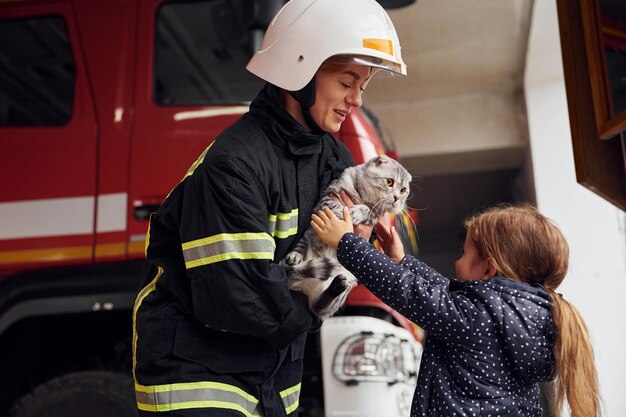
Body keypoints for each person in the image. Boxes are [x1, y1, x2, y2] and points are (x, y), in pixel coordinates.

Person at [132, 0, 407, 416]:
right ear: (300, 70)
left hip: (273, 377)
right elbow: (248, 302)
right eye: (347, 81)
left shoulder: (332, 158)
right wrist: (346, 257)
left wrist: (359, 254)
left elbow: (317, 280)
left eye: (363, 86)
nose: (355, 99)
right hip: (197, 373)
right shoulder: (234, 164)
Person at [311, 203, 600, 417]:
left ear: (489, 268)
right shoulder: (519, 317)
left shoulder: (477, 318)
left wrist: (345, 243)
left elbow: (410, 293)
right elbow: (445, 293)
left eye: (463, 253)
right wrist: (402, 261)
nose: (457, 263)